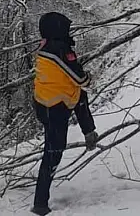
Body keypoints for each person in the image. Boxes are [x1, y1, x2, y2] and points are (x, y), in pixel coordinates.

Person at [32, 12, 99, 216]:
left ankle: (90, 132)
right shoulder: (58, 50)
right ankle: (40, 203)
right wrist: (88, 77)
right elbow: (79, 78)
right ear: (58, 29)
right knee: (53, 152)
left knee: (80, 98)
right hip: (54, 106)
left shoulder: (47, 46)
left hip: (46, 100)